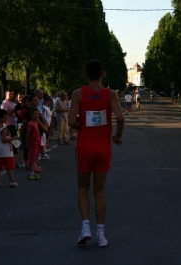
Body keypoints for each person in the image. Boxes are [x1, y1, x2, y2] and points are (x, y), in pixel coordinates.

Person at [68, 60, 124, 248]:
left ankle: (85, 228)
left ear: (85, 75)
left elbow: (71, 122)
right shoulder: (111, 94)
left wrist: (80, 123)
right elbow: (121, 117)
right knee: (99, 190)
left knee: (82, 188)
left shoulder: (78, 94)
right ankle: (101, 234)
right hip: (102, 148)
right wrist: (117, 136)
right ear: (103, 73)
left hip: (84, 147)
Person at [0, 109, 19, 188]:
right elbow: (4, 140)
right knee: (9, 167)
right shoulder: (4, 129)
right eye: (4, 118)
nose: (6, 119)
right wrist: (14, 138)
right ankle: (12, 181)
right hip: (6, 150)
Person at [26, 108, 42, 180]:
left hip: (37, 142)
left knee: (35, 157)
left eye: (38, 114)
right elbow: (28, 134)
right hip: (32, 143)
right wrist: (27, 143)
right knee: (32, 158)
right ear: (31, 115)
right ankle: (31, 173)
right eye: (35, 114)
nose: (37, 115)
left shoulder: (36, 122)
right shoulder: (30, 123)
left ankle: (32, 172)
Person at [1, 90, 17, 154]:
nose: (11, 96)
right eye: (9, 94)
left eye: (12, 94)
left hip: (13, 124)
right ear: (6, 95)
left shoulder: (12, 103)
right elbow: (4, 113)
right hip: (8, 125)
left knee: (15, 140)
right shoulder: (5, 103)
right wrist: (13, 110)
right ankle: (11, 154)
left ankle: (15, 152)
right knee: (11, 140)